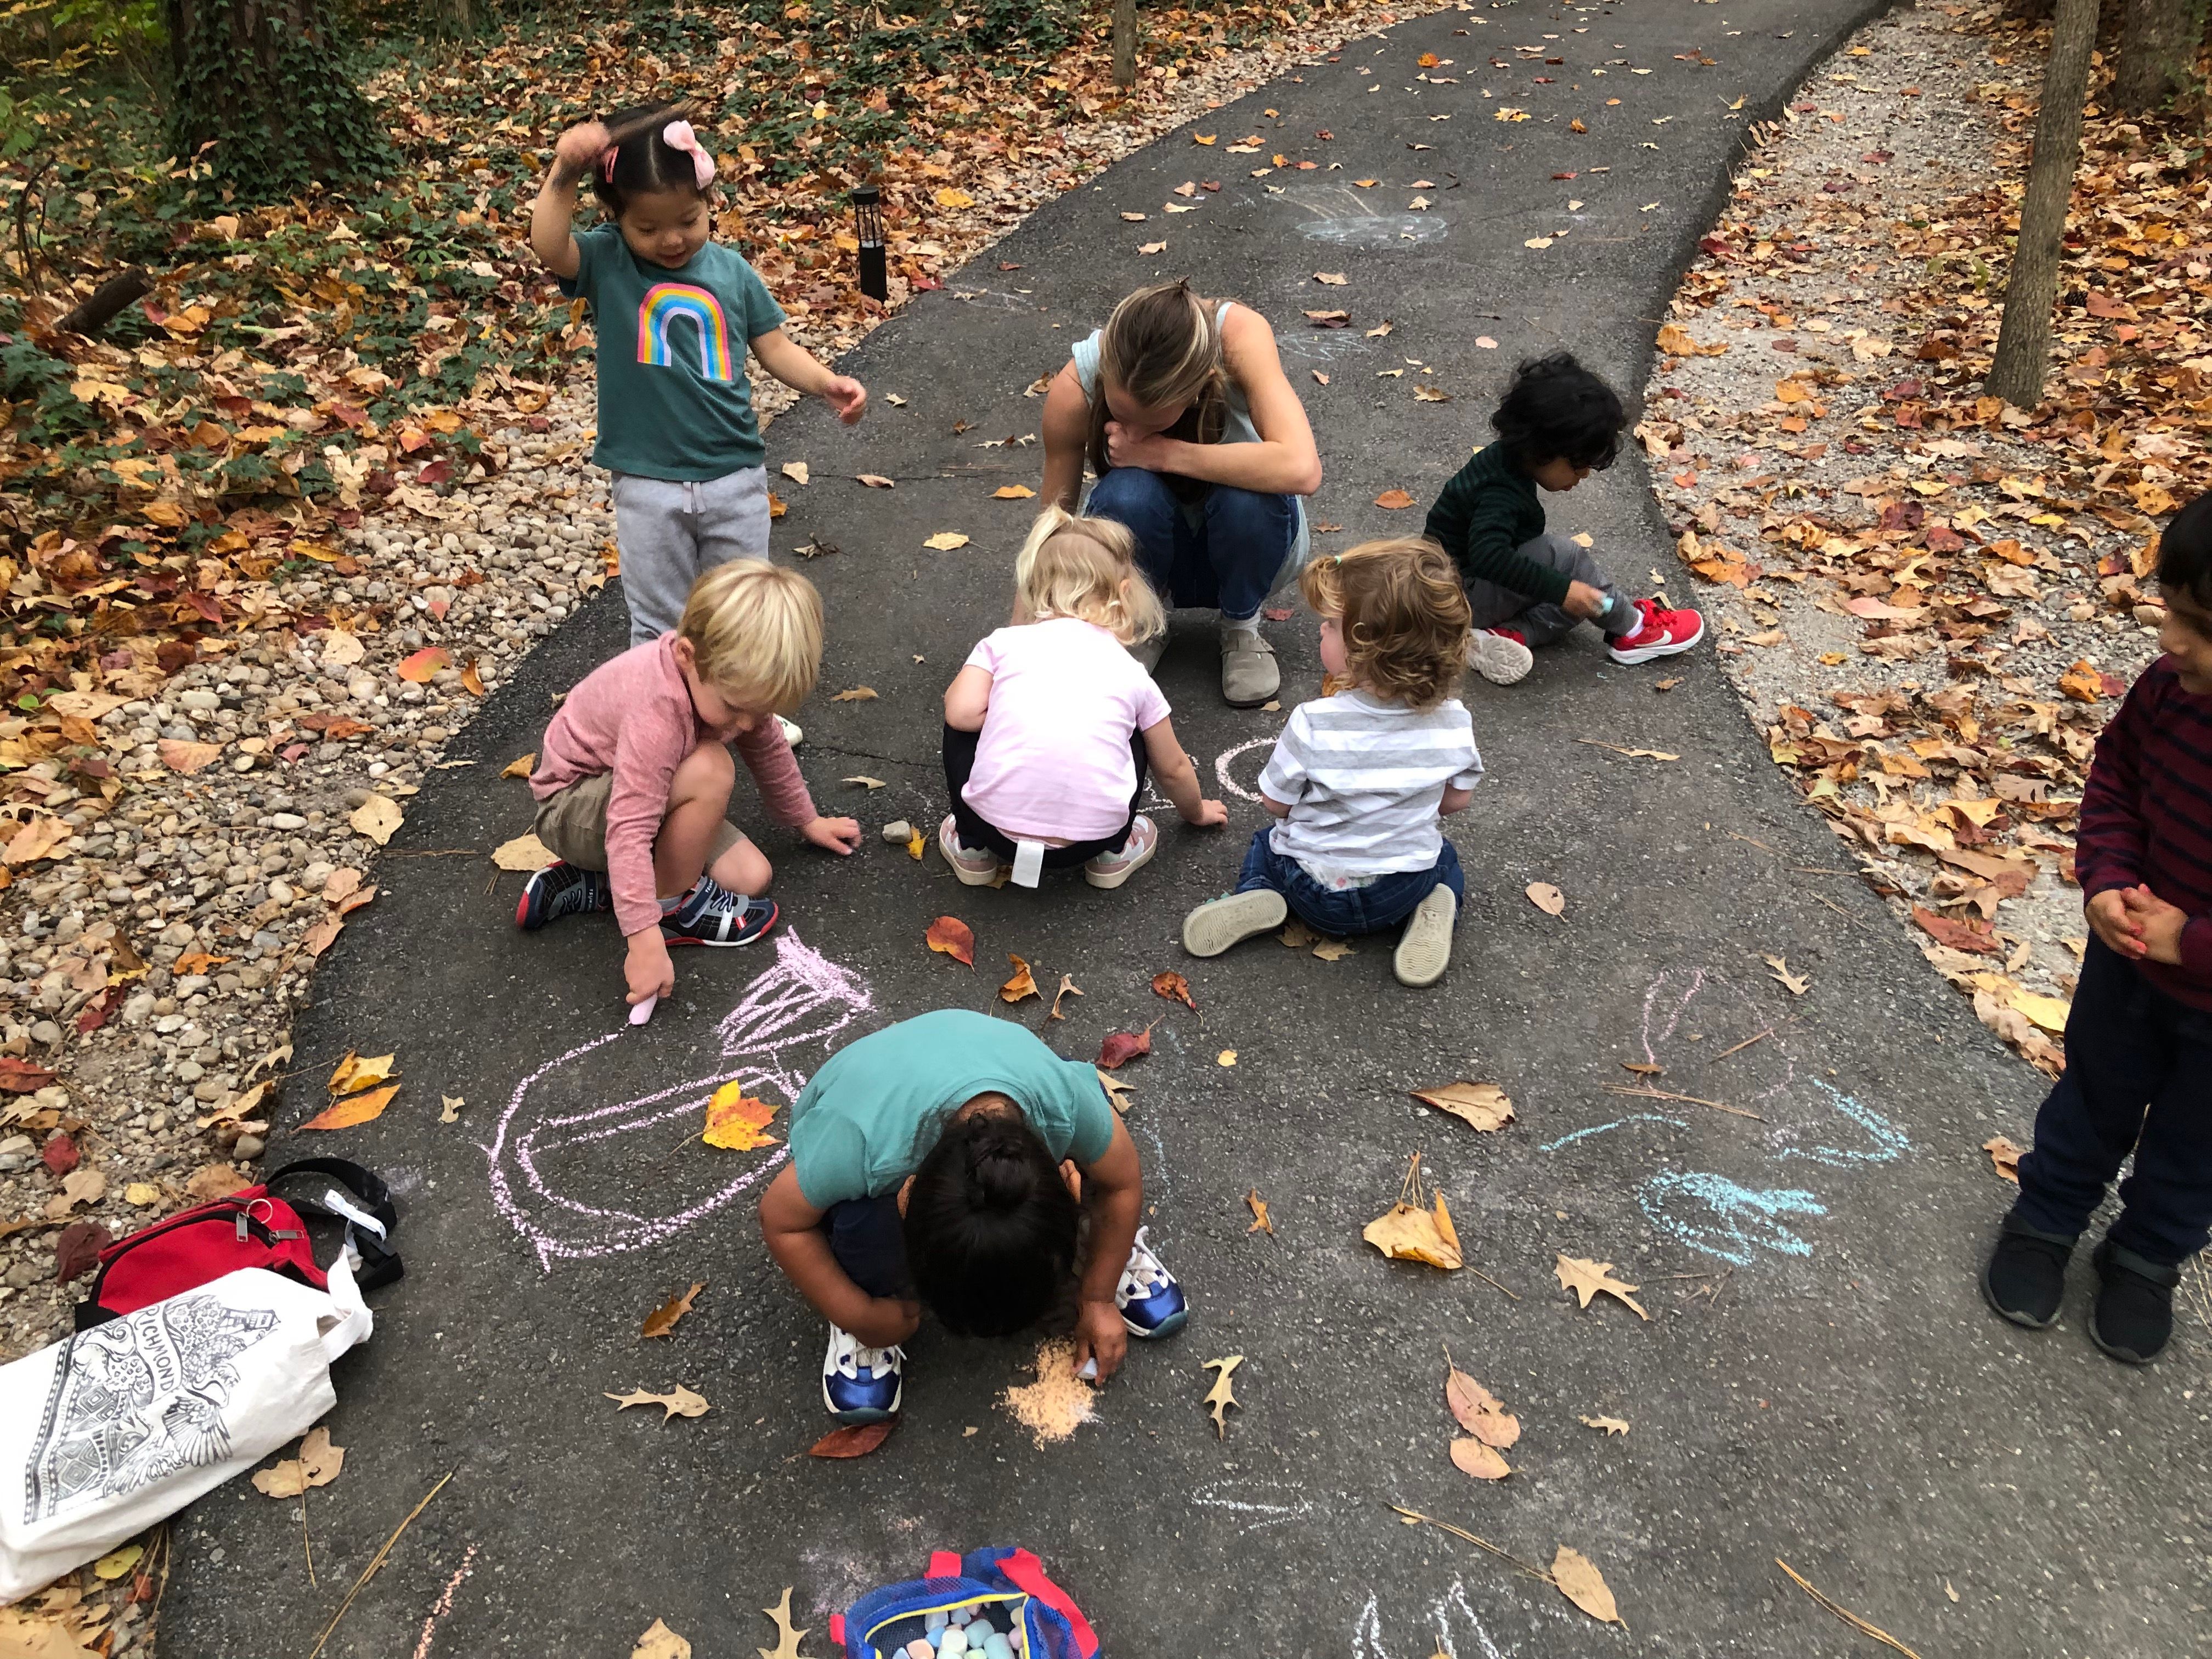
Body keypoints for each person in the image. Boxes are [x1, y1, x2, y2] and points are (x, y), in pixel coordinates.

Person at [528, 101, 866, 751]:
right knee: (658, 616)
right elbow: (550, 244)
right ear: (615, 219)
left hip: (733, 472)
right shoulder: (609, 263)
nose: (672, 240)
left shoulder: (732, 272)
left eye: (688, 220)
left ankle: (749, 713)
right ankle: (655, 720)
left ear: (710, 202)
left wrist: (826, 381)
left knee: (740, 607)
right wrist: (564, 172)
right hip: (647, 479)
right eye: (648, 227)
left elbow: (774, 347)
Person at [1981, 491, 2212, 1366]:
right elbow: (2114, 779)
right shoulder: (2168, 693)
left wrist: (2194, 942)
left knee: (2197, 1147)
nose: (2170, 640)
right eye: (2170, 611)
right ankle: (2046, 1218)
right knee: (2092, 1099)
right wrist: (2108, 878)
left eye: (2201, 627)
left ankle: (2148, 1256)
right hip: (2130, 969)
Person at [758, 1009, 1188, 1424]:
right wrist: (858, 1314)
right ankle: (868, 1294)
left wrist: (1097, 1295)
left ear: (1067, 1182)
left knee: (1103, 1171)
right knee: (861, 1223)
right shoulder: (858, 1147)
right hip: (864, 1094)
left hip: (1007, 1064)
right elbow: (782, 1221)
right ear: (904, 1197)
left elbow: (1122, 1184)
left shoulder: (1066, 1104)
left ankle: (1102, 1245)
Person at [514, 561, 861, 1007]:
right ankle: (669, 909)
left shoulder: (726, 684)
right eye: (735, 709)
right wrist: (644, 942)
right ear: (686, 656)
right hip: (574, 809)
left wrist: (807, 821)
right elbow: (629, 827)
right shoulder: (656, 710)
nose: (747, 724)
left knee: (750, 877)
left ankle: (598, 884)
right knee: (712, 767)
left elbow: (768, 746)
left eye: (760, 710)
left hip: (638, 794)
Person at [1179, 538, 1482, 988]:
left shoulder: (1314, 722)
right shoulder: (1454, 722)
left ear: (1368, 648)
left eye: (1332, 625)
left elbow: (1275, 804)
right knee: (1445, 860)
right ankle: (1435, 908)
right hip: (1399, 888)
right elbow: (1456, 801)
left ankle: (1261, 891)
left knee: (1266, 844)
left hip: (1311, 891)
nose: (1321, 630)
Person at [1040, 280, 1322, 707]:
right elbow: (1051, 535)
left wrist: (1160, 454)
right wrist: (1022, 653)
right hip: (1147, 551)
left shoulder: (1239, 337)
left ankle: (1242, 627)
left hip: (1250, 546)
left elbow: (1302, 469)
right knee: (1125, 494)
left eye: (1152, 420)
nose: (1134, 433)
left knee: (1249, 499)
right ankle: (1141, 621)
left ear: (1196, 390)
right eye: (1122, 414)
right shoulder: (1077, 381)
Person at [940, 507, 1227, 890]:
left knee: (959, 724)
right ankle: (1114, 855)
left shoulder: (1002, 644)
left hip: (992, 831)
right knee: (1137, 728)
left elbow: (960, 714)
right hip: (1090, 842)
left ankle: (972, 849)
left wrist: (1007, 717)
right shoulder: (1131, 672)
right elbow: (1173, 768)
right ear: (1124, 593)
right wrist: (1197, 812)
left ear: (1032, 589)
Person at [1423, 351, 1702, 686]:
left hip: (1451, 595)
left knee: (1579, 599)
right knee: (1566, 559)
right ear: (1542, 449)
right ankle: (1633, 629)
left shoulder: (1504, 462)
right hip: (1454, 596)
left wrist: (1567, 592)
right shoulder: (1499, 491)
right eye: (1578, 465)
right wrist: (1564, 588)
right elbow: (1489, 556)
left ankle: (1502, 636)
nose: (1584, 475)